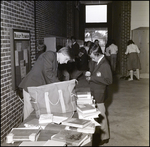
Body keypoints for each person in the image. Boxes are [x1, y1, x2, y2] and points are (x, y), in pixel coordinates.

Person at [19, 46, 74, 120]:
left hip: (37, 88)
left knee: (36, 112)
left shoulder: (55, 61)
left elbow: (51, 77)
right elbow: (48, 74)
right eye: (66, 59)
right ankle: (26, 130)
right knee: (29, 113)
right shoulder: (49, 55)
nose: (66, 62)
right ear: (62, 53)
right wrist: (61, 86)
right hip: (30, 86)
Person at [85, 43, 113, 144]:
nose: (92, 59)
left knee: (101, 114)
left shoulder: (105, 64)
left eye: (92, 57)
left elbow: (109, 80)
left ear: (96, 54)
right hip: (95, 91)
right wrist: (90, 75)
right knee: (97, 113)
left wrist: (92, 77)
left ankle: (105, 137)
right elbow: (97, 75)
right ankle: (99, 133)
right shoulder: (97, 62)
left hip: (100, 93)